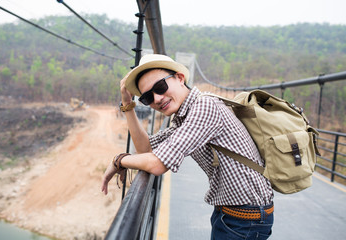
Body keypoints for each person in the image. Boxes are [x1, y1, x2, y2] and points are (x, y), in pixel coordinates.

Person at [101, 54, 274, 239]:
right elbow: (146, 150)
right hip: (233, 215)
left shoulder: (205, 106)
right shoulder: (184, 117)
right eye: (147, 98)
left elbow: (157, 164)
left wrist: (119, 160)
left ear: (180, 78)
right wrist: (128, 105)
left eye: (160, 87)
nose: (157, 99)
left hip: (246, 219)